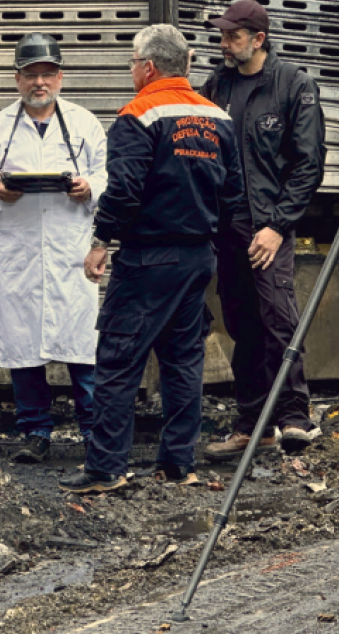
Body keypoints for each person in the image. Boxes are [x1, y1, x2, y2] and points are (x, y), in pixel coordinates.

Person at [58, 24, 244, 494]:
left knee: (119, 359)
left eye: (131, 63)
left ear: (148, 67)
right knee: (183, 361)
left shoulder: (138, 114)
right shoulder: (217, 117)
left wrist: (101, 241)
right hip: (198, 256)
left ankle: (105, 469)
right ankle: (179, 464)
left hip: (148, 260)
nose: (131, 72)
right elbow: (234, 192)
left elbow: (123, 190)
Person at [0, 33, 108, 464]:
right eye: (31, 75)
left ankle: (94, 432)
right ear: (17, 79)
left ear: (60, 76)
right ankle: (35, 432)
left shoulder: (84, 124)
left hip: (71, 251)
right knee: (24, 345)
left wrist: (89, 188)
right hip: (20, 254)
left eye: (47, 74)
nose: (39, 82)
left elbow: (110, 177)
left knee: (82, 344)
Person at [198, 0, 326, 460]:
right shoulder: (217, 85)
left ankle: (294, 416)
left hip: (269, 228)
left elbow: (308, 165)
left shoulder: (293, 85)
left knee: (278, 318)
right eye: (224, 35)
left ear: (258, 39)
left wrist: (276, 226)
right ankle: (253, 426)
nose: (225, 43)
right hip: (227, 229)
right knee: (242, 325)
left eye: (233, 36)